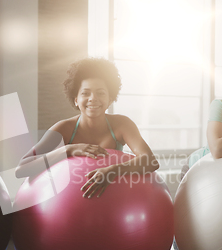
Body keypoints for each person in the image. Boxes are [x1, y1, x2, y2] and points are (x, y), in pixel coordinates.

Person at [15, 57, 159, 198]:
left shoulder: (122, 124)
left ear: (110, 99)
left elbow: (150, 161)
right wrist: (68, 150)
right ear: (76, 100)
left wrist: (113, 170)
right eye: (85, 93)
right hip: (70, 202)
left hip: (113, 201)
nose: (93, 98)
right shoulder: (64, 128)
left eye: (100, 93)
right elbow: (21, 169)